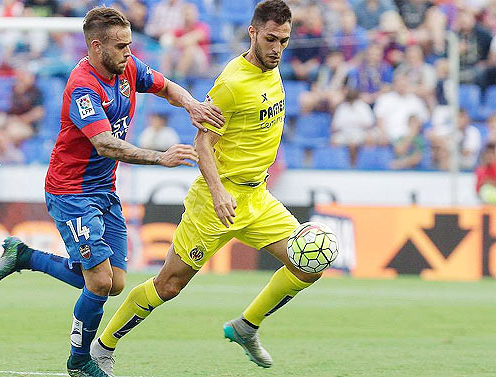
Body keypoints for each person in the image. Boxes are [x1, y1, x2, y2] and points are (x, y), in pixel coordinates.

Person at [0, 7, 224, 377]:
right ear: (97, 47)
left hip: (103, 190)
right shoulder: (83, 86)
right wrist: (160, 158)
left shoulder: (125, 67)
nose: (129, 52)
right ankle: (79, 362)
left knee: (115, 283)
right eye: (122, 46)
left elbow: (164, 85)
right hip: (71, 191)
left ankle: (24, 257)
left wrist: (191, 104)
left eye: (130, 45)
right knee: (99, 281)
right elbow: (105, 144)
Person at [90, 1, 323, 375]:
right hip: (215, 202)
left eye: (284, 40)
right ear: (252, 33)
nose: (277, 48)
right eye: (270, 39)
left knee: (308, 264)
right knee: (168, 286)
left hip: (256, 198)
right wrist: (218, 191)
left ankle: (247, 326)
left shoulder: (273, 71)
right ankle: (103, 346)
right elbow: (202, 143)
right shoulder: (232, 82)